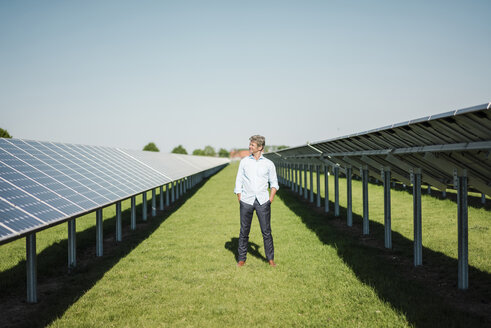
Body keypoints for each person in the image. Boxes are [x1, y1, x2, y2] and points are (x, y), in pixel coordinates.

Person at [234, 135, 279, 267]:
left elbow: (274, 183)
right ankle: (241, 259)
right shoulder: (244, 162)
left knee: (266, 232)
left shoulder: (269, 164)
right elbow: (239, 180)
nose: (249, 147)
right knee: (244, 231)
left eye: (252, 145)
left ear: (260, 147)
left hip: (263, 202)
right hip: (246, 201)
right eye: (250, 144)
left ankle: (270, 259)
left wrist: (270, 199)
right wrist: (239, 197)